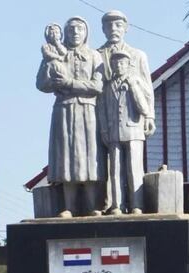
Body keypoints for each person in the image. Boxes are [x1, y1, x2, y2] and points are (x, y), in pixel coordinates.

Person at [36, 16, 104, 217]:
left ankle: (93, 205)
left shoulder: (94, 56)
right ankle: (69, 206)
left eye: (79, 29)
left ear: (86, 33)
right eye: (71, 29)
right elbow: (41, 84)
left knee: (91, 157)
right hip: (63, 109)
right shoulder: (54, 53)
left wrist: (69, 83)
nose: (75, 33)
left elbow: (97, 86)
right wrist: (49, 62)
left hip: (88, 111)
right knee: (66, 157)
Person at [98, 10, 156, 213]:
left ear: (126, 28)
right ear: (103, 29)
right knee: (112, 169)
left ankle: (136, 204)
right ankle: (113, 204)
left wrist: (149, 115)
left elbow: (148, 88)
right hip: (108, 122)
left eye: (118, 25)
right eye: (109, 26)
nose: (113, 29)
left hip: (133, 121)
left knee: (134, 167)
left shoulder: (138, 55)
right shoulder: (96, 55)